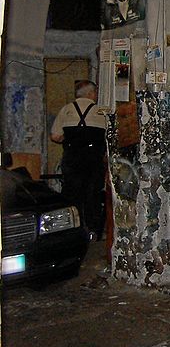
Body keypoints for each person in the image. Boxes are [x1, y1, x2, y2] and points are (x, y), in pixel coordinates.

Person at [50, 80, 107, 240]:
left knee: (72, 193)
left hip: (72, 159)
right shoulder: (101, 111)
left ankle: (71, 229)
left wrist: (70, 140)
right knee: (92, 194)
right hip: (93, 160)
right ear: (91, 94)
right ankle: (93, 229)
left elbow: (55, 136)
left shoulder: (66, 109)